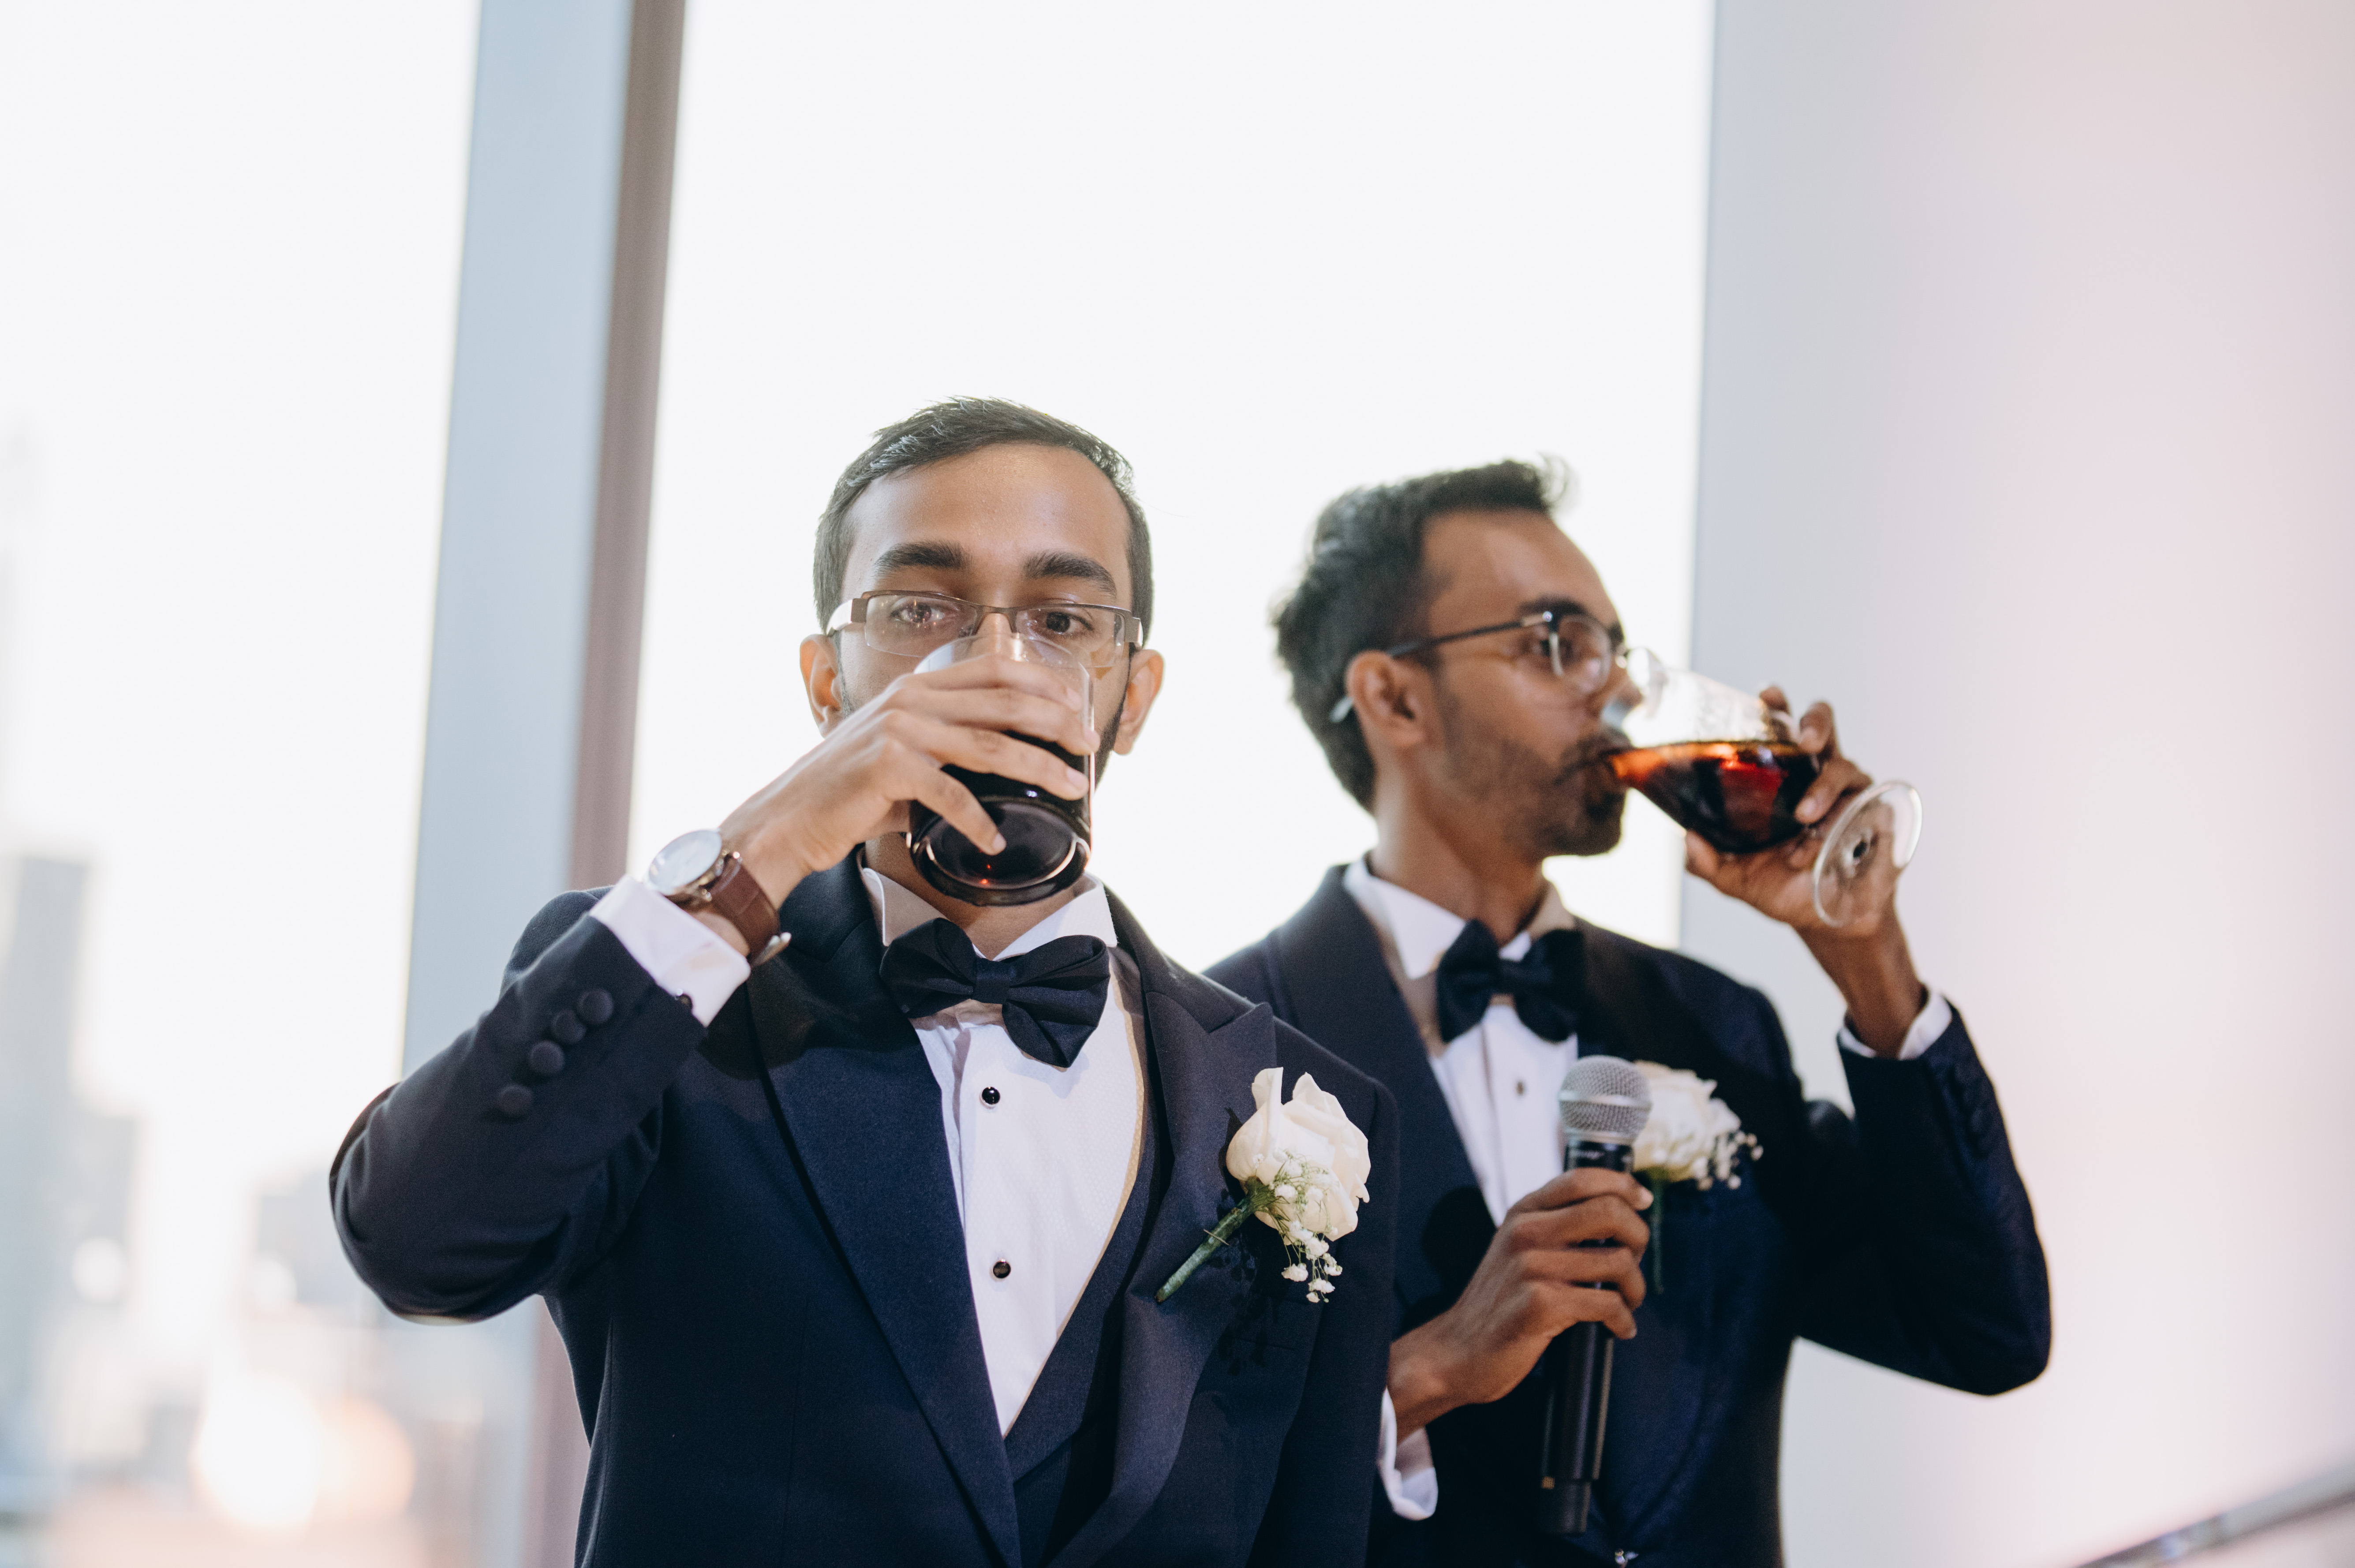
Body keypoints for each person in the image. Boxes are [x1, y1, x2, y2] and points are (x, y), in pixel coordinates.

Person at [332, 399, 1400, 1568]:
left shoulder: (1299, 1100)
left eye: (1060, 619)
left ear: (1132, 695)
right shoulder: (665, 1000)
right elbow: (414, 1241)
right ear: (826, 682)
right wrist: (763, 849)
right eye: (920, 610)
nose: (994, 662)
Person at [1207, 459, 2048, 1568]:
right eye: (1555, 642)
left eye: (1613, 647)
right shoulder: (1225, 1046)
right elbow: (1175, 1486)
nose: (1612, 694)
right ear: (1396, 697)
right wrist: (1428, 1369)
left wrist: (1865, 950)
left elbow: (1985, 1330)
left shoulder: (1714, 1024)